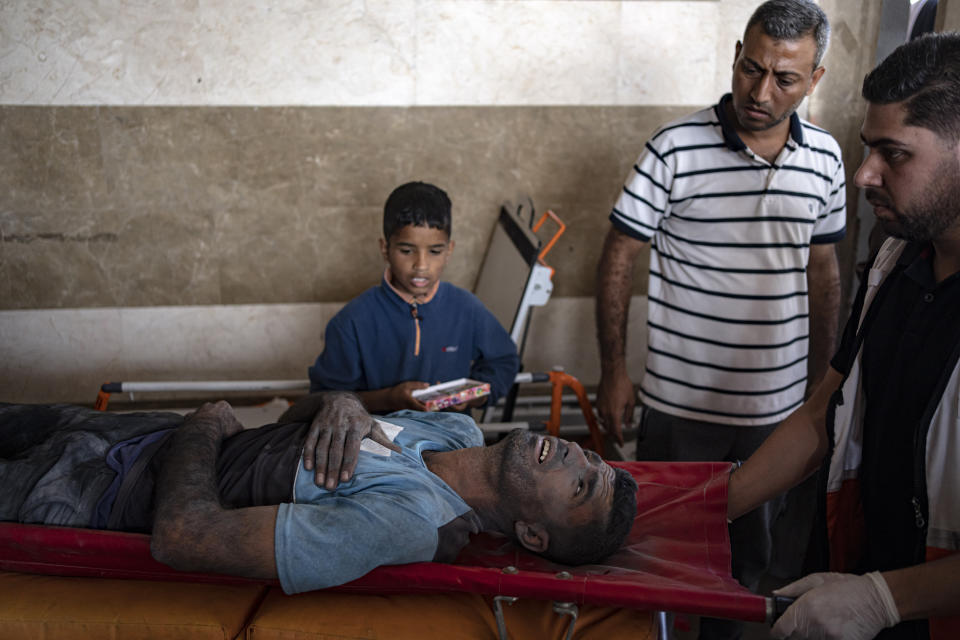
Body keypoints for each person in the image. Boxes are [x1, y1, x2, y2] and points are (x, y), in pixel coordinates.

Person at [728, 32, 960, 640]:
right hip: (863, 585)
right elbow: (823, 413)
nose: (863, 175)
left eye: (895, 154)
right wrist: (704, 508)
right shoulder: (896, 264)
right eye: (866, 149)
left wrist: (886, 598)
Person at [0, 392, 637, 595]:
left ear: (532, 534)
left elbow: (182, 538)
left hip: (86, 490)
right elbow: (290, 428)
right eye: (593, 458)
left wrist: (205, 427)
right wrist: (343, 402)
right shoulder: (455, 425)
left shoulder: (409, 521)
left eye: (581, 485)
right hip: (120, 430)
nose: (579, 454)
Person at [308, 181, 519, 414]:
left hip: (450, 437)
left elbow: (504, 362)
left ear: (449, 250)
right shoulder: (352, 321)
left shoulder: (467, 308)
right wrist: (389, 399)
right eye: (407, 251)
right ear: (385, 248)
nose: (421, 265)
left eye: (435, 251)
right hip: (379, 440)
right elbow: (327, 399)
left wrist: (473, 397)